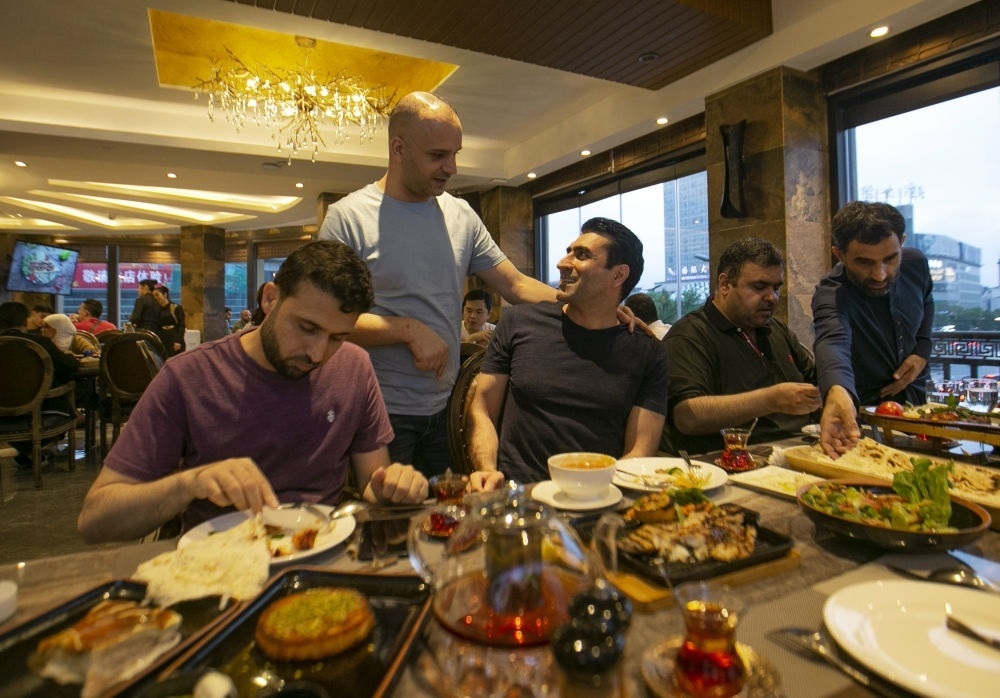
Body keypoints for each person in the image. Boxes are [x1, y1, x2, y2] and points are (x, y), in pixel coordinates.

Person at [77, 240, 428, 542]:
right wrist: (189, 483)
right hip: (219, 562)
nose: (318, 353)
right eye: (307, 328)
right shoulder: (189, 376)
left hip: (319, 551)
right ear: (271, 299)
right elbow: (95, 520)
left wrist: (392, 487)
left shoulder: (354, 367)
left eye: (337, 337)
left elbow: (372, 482)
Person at [318, 91, 558, 476]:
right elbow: (325, 319)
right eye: (438, 155)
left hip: (448, 406)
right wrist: (407, 329)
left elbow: (515, 284)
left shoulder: (460, 214)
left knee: (449, 510)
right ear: (399, 148)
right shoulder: (348, 218)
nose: (452, 167)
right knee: (393, 512)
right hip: (376, 411)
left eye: (455, 154)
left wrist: (587, 305)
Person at [467, 217, 668, 489]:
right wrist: (487, 470)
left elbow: (639, 451)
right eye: (568, 252)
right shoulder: (519, 323)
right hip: (518, 495)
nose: (562, 263)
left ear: (618, 275)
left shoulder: (646, 351)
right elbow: (482, 409)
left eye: (582, 255)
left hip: (600, 496)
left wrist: (598, 495)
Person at [662, 238, 820, 455]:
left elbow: (814, 381)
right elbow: (688, 416)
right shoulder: (690, 335)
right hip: (729, 458)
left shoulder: (776, 329)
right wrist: (770, 400)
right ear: (725, 285)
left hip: (799, 448)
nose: (772, 298)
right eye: (759, 287)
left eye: (776, 288)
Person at [813, 201, 934, 458]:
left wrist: (922, 350)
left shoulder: (916, 263)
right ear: (839, 254)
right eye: (864, 262)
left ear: (902, 243)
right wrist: (836, 390)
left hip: (917, 401)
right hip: (865, 415)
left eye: (890, 259)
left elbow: (927, 300)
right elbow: (832, 342)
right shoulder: (831, 294)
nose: (880, 274)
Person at [0, 302, 79, 467]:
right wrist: (67, 355)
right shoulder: (40, 343)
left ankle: (29, 453)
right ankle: (33, 451)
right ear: (25, 321)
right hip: (41, 412)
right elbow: (70, 367)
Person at [152, 285, 185, 356]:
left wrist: (178, 340)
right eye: (154, 296)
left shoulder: (176, 307)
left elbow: (181, 325)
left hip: (174, 336)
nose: (155, 298)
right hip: (163, 339)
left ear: (165, 294)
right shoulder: (157, 310)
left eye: (157, 295)